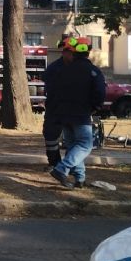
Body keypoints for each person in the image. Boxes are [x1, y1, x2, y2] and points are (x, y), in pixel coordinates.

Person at [48, 37, 107, 189]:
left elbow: (53, 89)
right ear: (88, 52)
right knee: (85, 145)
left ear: (73, 53)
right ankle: (61, 169)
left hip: (62, 113)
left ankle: (80, 178)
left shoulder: (62, 70)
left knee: (73, 145)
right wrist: (95, 107)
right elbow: (100, 93)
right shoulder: (93, 71)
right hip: (81, 113)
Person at [43, 35, 75, 167]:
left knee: (73, 139)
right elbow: (49, 88)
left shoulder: (80, 67)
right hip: (55, 108)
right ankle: (54, 163)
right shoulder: (53, 68)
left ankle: (69, 165)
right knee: (50, 136)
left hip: (73, 109)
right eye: (68, 52)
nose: (71, 55)